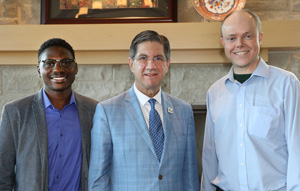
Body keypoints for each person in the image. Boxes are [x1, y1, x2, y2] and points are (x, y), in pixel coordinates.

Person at [201, 9, 300, 191]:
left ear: (259, 37)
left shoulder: (287, 85)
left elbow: (297, 150)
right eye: (231, 38)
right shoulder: (214, 92)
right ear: (223, 43)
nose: (239, 44)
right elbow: (209, 156)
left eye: (247, 36)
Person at [88, 30, 199, 191]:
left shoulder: (184, 111)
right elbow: (98, 180)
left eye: (158, 58)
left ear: (167, 64)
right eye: (143, 58)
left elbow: (190, 176)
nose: (151, 65)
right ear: (131, 64)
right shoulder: (107, 112)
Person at [0, 38, 98, 191]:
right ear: (39, 70)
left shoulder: (94, 111)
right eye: (49, 63)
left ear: (75, 68)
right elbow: (2, 176)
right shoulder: (15, 113)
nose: (58, 69)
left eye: (65, 62)